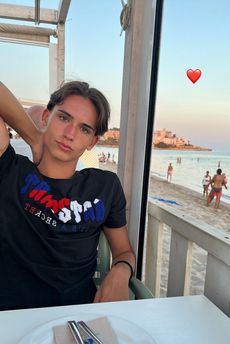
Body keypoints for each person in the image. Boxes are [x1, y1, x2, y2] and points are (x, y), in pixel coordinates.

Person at [0, 80, 135, 311]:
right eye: (63, 118)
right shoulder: (9, 168)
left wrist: (121, 271)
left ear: (92, 142)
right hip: (13, 318)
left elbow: (123, 251)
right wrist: (34, 138)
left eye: (84, 129)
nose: (70, 134)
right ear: (46, 117)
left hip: (78, 316)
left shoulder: (104, 186)